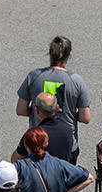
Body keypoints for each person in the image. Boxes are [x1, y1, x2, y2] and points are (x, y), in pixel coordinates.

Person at [17, 36, 93, 167]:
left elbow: (21, 110)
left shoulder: (33, 76)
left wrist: (39, 111)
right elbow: (85, 118)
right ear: (69, 54)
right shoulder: (76, 80)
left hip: (38, 142)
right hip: (66, 144)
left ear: (50, 52)